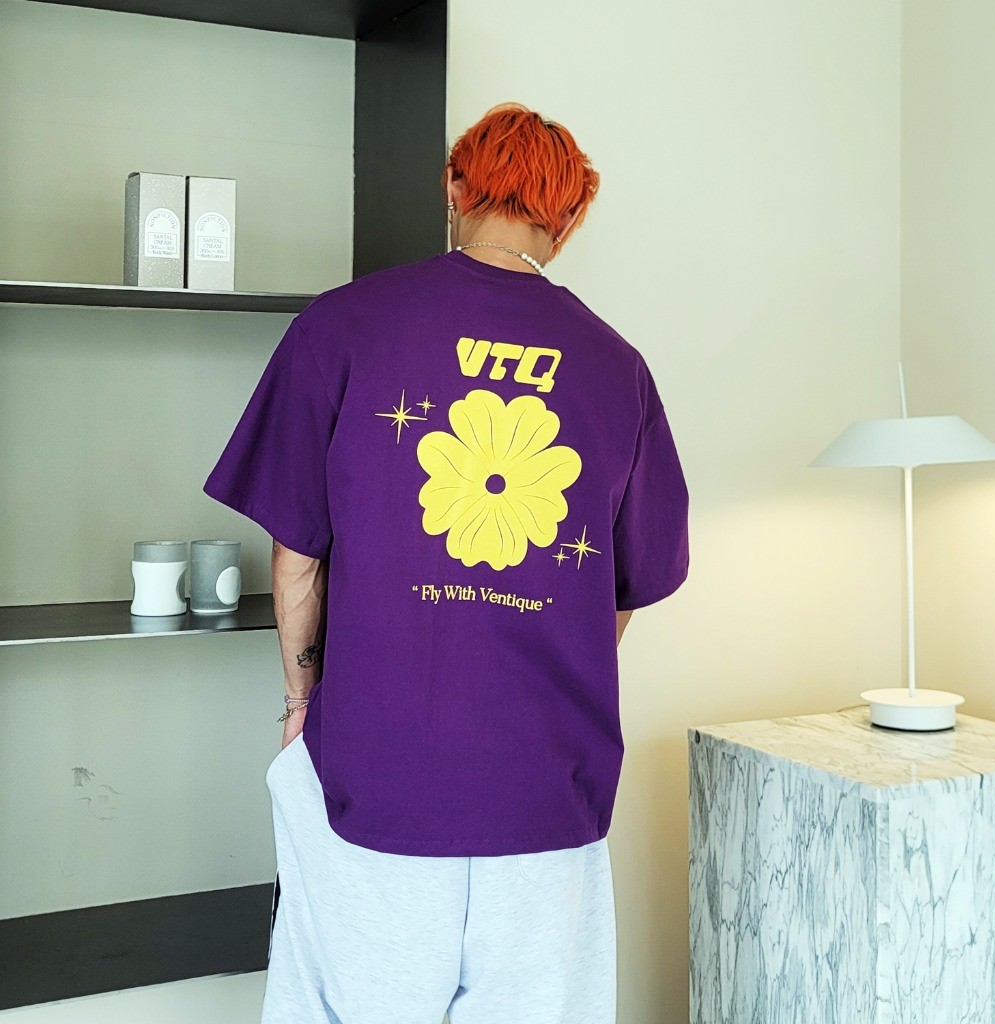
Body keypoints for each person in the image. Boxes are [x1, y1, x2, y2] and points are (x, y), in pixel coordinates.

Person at [203, 101, 689, 1024]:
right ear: (568, 219)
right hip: (549, 793)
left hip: (374, 774)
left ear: (456, 189)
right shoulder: (618, 368)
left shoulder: (343, 326)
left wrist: (302, 700)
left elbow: (298, 558)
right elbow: (620, 596)